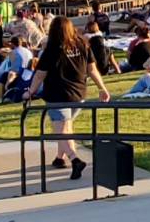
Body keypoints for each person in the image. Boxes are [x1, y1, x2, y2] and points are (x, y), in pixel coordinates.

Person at [26, 16, 110, 182]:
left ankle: (74, 159)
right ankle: (60, 157)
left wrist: (29, 92)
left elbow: (40, 75)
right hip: (78, 95)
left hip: (57, 96)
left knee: (61, 131)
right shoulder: (82, 44)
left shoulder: (52, 49)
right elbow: (92, 69)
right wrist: (102, 88)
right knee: (66, 127)